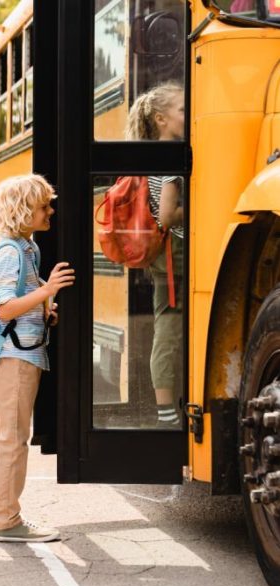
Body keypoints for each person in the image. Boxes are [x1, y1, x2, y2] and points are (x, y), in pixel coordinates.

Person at [0, 174, 74, 543]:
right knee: (13, 439)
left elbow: (22, 302)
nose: (50, 211)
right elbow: (4, 309)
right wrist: (48, 290)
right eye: (43, 206)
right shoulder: (9, 252)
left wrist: (45, 310)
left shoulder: (27, 249)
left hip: (21, 352)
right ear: (22, 210)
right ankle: (8, 520)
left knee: (3, 437)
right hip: (15, 357)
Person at [126, 82, 185, 428]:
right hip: (175, 249)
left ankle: (167, 405)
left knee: (168, 324)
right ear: (162, 119)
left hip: (163, 254)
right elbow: (167, 215)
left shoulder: (154, 154)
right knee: (169, 328)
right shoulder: (171, 157)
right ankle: (166, 410)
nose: (186, 116)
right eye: (181, 110)